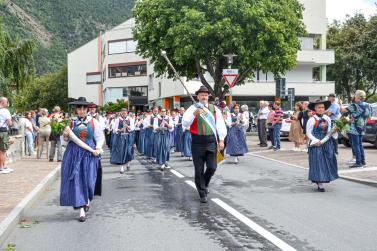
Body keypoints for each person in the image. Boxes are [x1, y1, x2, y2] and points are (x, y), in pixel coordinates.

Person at [60, 97, 104, 222]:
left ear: (88, 109)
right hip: (73, 153)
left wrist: (98, 148)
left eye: (84, 108)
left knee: (90, 180)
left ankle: (87, 200)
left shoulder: (94, 122)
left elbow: (100, 138)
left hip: (89, 154)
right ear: (76, 110)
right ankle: (81, 209)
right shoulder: (70, 123)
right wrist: (65, 136)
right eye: (80, 108)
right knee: (77, 180)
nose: (82, 110)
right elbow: (64, 141)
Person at [182, 86, 227, 203]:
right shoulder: (192, 108)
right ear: (197, 97)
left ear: (208, 97)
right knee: (199, 169)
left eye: (206, 95)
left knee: (212, 167)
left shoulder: (214, 109)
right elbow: (184, 123)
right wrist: (194, 114)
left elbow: (220, 124)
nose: (204, 97)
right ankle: (202, 193)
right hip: (197, 142)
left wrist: (221, 139)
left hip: (211, 140)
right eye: (201, 95)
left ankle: (205, 184)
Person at [307, 99, 338, 192]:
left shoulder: (327, 118)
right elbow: (308, 132)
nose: (321, 109)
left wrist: (334, 131)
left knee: (328, 161)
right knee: (318, 162)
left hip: (326, 142)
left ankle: (325, 177)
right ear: (315, 109)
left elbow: (329, 131)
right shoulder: (312, 119)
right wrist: (315, 140)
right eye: (319, 107)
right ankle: (320, 183)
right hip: (316, 143)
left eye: (322, 107)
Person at [341, 90, 371, 168]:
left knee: (356, 145)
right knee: (360, 145)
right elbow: (369, 117)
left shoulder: (355, 105)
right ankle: (363, 162)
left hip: (354, 128)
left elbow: (343, 110)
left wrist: (340, 103)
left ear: (357, 96)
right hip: (362, 128)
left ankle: (358, 163)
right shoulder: (368, 105)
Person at [0, 97, 14, 174]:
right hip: (3, 132)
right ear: (2, 102)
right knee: (3, 150)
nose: (7, 103)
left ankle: (4, 166)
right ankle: (2, 168)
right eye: (7, 102)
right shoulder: (5, 111)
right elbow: (10, 123)